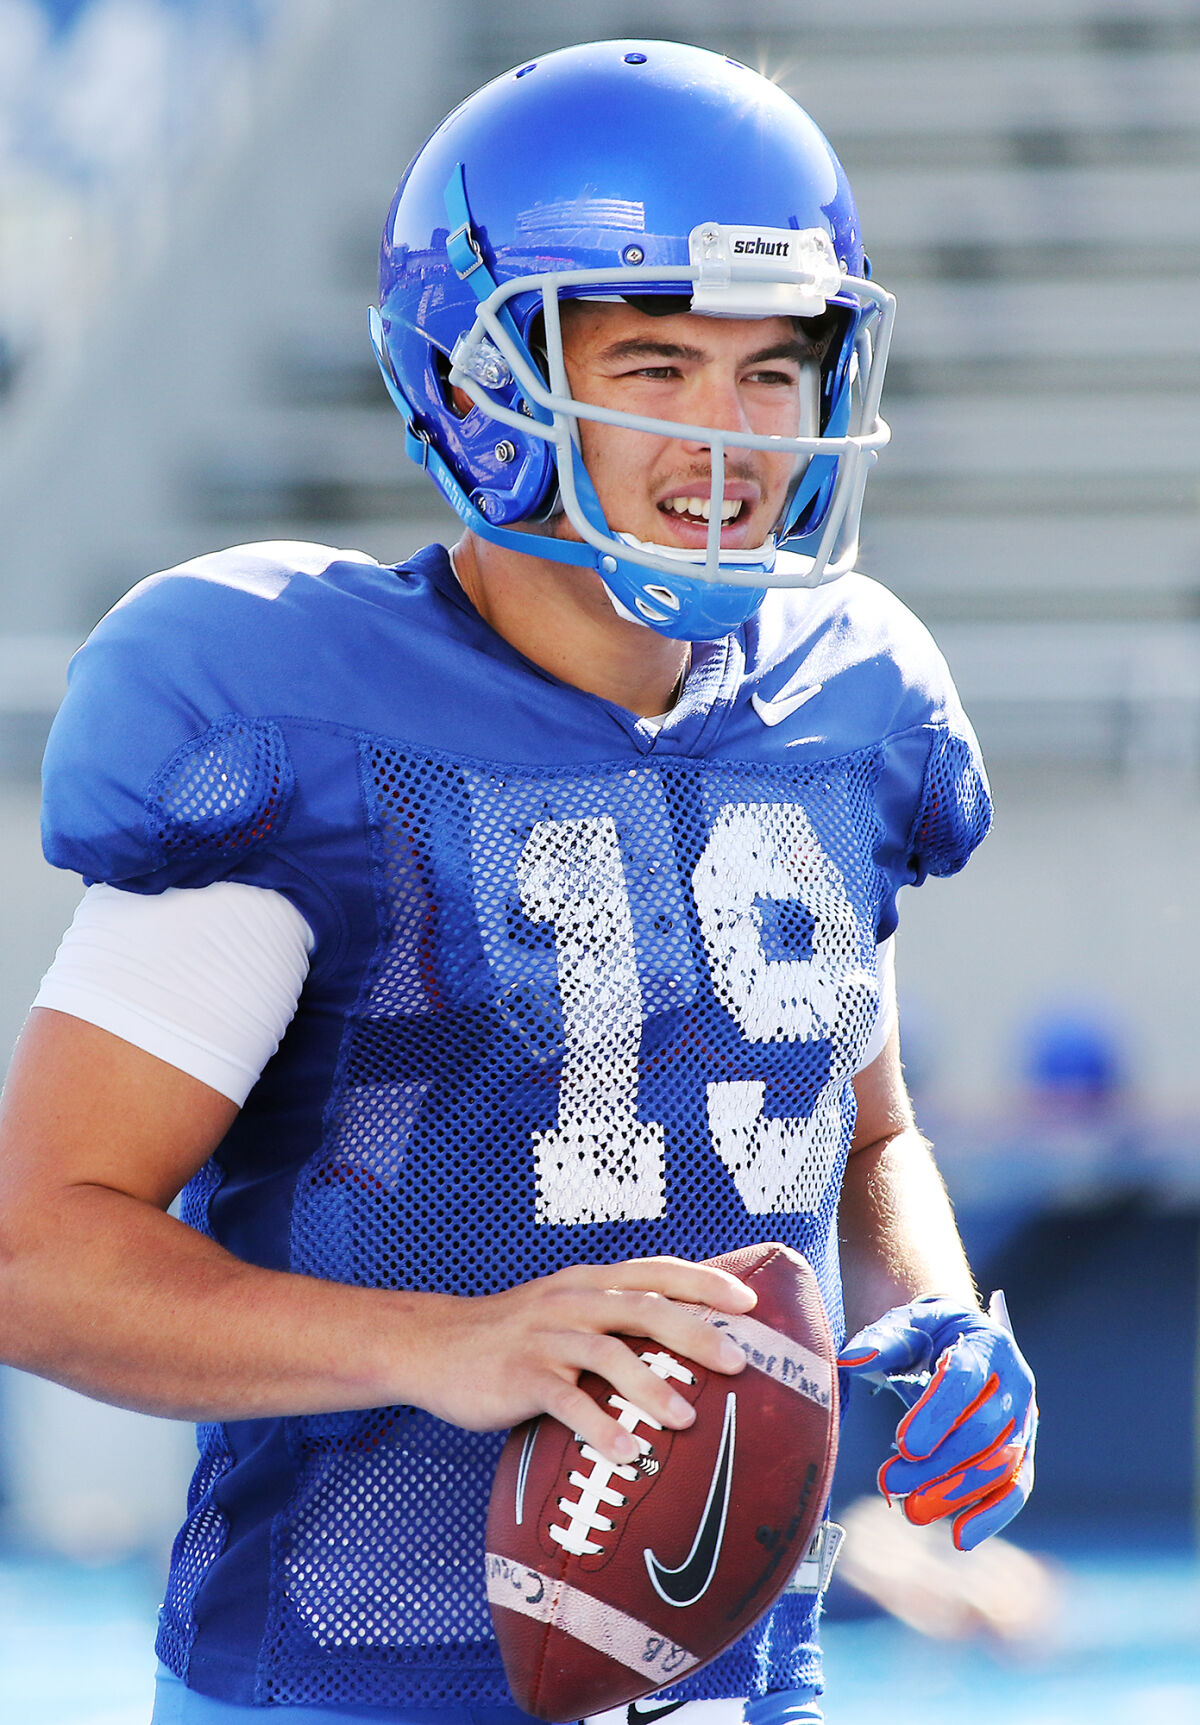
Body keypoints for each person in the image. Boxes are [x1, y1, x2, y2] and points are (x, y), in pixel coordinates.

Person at [0, 39, 1037, 1725]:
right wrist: (440, 1341)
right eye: (652, 364)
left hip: (740, 1684)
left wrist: (924, 1309)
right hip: (345, 1690)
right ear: (478, 390)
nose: (726, 437)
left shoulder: (850, 699)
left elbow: (867, 1132)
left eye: (774, 371)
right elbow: (36, 1252)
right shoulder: (294, 713)